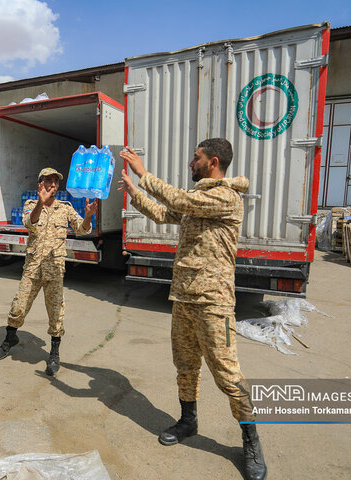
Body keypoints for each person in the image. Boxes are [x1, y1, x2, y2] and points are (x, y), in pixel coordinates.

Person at [118, 139, 267, 480]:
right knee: (185, 366)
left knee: (228, 375)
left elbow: (180, 200)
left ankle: (251, 441)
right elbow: (164, 212)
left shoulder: (226, 197)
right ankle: (188, 420)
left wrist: (144, 174)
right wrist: (133, 191)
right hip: (184, 297)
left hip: (213, 302)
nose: (191, 162)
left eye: (196, 158)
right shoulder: (200, 198)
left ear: (213, 162)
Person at [0, 167, 97, 376]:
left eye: (55, 182)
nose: (53, 185)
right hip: (32, 269)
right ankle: (10, 336)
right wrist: (41, 202)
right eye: (48, 181)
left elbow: (83, 229)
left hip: (55, 270)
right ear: (40, 184)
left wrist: (87, 216)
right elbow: (29, 224)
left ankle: (54, 353)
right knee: (18, 308)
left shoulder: (65, 208)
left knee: (56, 314)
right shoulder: (31, 205)